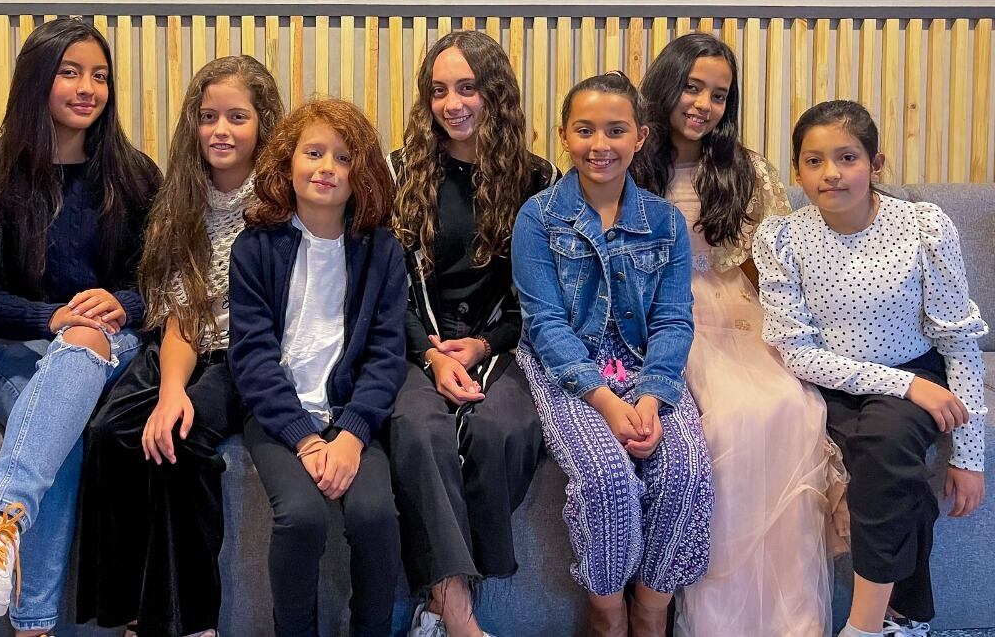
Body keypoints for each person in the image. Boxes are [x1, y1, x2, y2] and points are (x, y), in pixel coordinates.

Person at [0, 18, 162, 637]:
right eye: (69, 72)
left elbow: (164, 283)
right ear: (37, 80)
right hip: (17, 349)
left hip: (114, 347)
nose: (86, 87)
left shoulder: (134, 174)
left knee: (85, 341)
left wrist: (122, 304)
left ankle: (2, 526)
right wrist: (49, 316)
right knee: (58, 430)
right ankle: (37, 621)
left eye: (99, 75)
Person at [631, 33, 838, 636]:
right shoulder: (629, 154)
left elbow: (771, 262)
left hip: (736, 308)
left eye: (718, 95)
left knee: (789, 405)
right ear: (666, 85)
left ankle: (783, 619)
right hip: (657, 312)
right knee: (726, 418)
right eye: (692, 87)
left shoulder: (742, 167)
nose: (703, 104)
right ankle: (714, 615)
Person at [757, 100, 987, 637]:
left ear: (875, 163)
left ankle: (862, 627)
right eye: (813, 162)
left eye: (847, 158)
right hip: (834, 380)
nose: (830, 174)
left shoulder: (925, 227)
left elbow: (959, 341)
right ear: (796, 171)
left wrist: (970, 456)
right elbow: (796, 350)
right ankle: (905, 617)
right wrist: (907, 386)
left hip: (915, 370)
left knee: (887, 446)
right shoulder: (781, 238)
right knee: (887, 455)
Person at [77, 55, 284, 637]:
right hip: (183, 341)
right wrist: (170, 389)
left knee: (181, 440)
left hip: (250, 355)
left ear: (264, 124)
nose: (221, 130)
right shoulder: (179, 200)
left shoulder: (281, 202)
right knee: (109, 432)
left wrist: (178, 404)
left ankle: (195, 623)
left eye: (237, 117)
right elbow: (179, 314)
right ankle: (128, 612)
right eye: (208, 116)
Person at [512, 71, 713, 637]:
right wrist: (604, 401)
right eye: (585, 130)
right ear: (563, 136)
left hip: (648, 369)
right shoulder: (538, 217)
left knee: (687, 470)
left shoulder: (665, 221)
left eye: (615, 130)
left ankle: (651, 608)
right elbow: (545, 323)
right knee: (605, 476)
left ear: (641, 137)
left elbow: (674, 319)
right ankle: (605, 614)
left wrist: (651, 395)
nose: (600, 144)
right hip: (568, 371)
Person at [387, 31, 555, 637]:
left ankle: (443, 602)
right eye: (438, 91)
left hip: (501, 341)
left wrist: (484, 345)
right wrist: (430, 355)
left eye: (467, 88)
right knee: (416, 427)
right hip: (414, 341)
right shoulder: (399, 172)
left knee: (502, 428)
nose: (452, 103)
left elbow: (540, 298)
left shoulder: (537, 180)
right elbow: (386, 291)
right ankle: (457, 613)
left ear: (496, 94)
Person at [228, 98, 408, 637]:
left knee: (376, 516)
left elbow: (385, 352)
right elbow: (252, 355)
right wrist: (305, 440)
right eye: (313, 153)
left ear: (363, 175)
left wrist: (352, 434)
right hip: (279, 418)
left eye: (343, 158)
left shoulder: (383, 251)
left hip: (350, 416)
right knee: (302, 517)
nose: (327, 167)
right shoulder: (255, 247)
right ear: (288, 162)